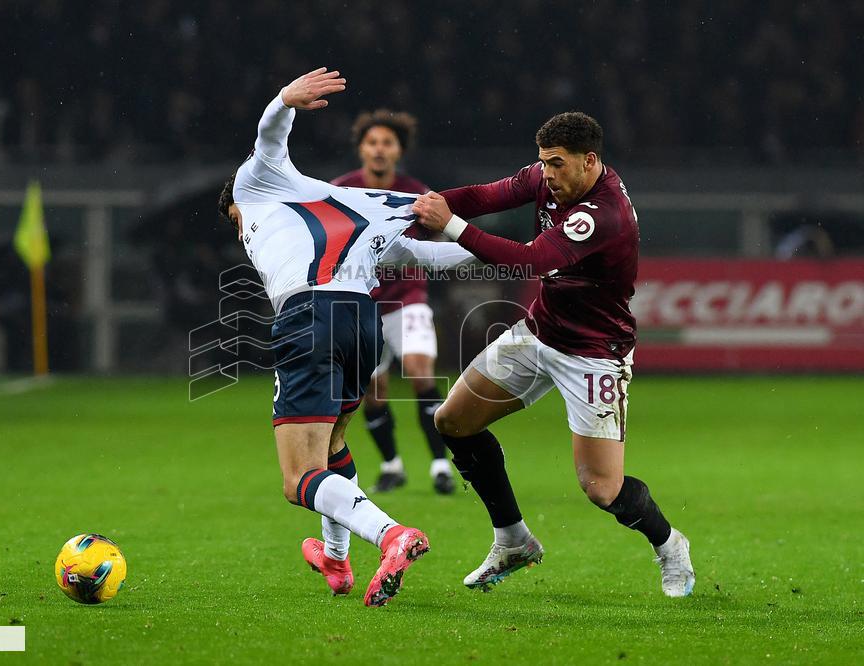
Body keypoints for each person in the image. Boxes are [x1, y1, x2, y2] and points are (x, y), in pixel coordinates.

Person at [218, 68, 477, 606]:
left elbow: (270, 139)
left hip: (308, 318)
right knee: (334, 443)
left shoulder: (256, 190)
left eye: (234, 219)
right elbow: (429, 254)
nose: (240, 229)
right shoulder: (353, 213)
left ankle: (390, 535)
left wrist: (283, 99)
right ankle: (337, 561)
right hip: (362, 321)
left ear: (242, 199)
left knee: (298, 478)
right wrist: (516, 251)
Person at [411, 111, 696, 597]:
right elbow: (485, 195)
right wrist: (417, 209)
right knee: (452, 420)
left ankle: (671, 545)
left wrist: (451, 226)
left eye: (557, 165)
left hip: (592, 353)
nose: (547, 174)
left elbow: (533, 260)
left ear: (590, 162)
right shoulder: (549, 178)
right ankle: (513, 540)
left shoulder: (603, 213)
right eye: (543, 163)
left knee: (601, 489)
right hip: (539, 334)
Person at [331, 110, 455, 495]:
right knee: (374, 387)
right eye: (373, 142)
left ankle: (440, 466)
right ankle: (392, 464)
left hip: (408, 298)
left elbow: (437, 238)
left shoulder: (416, 193)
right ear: (362, 150)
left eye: (387, 142)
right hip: (361, 301)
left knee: (420, 371)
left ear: (399, 150)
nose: (380, 149)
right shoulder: (341, 191)